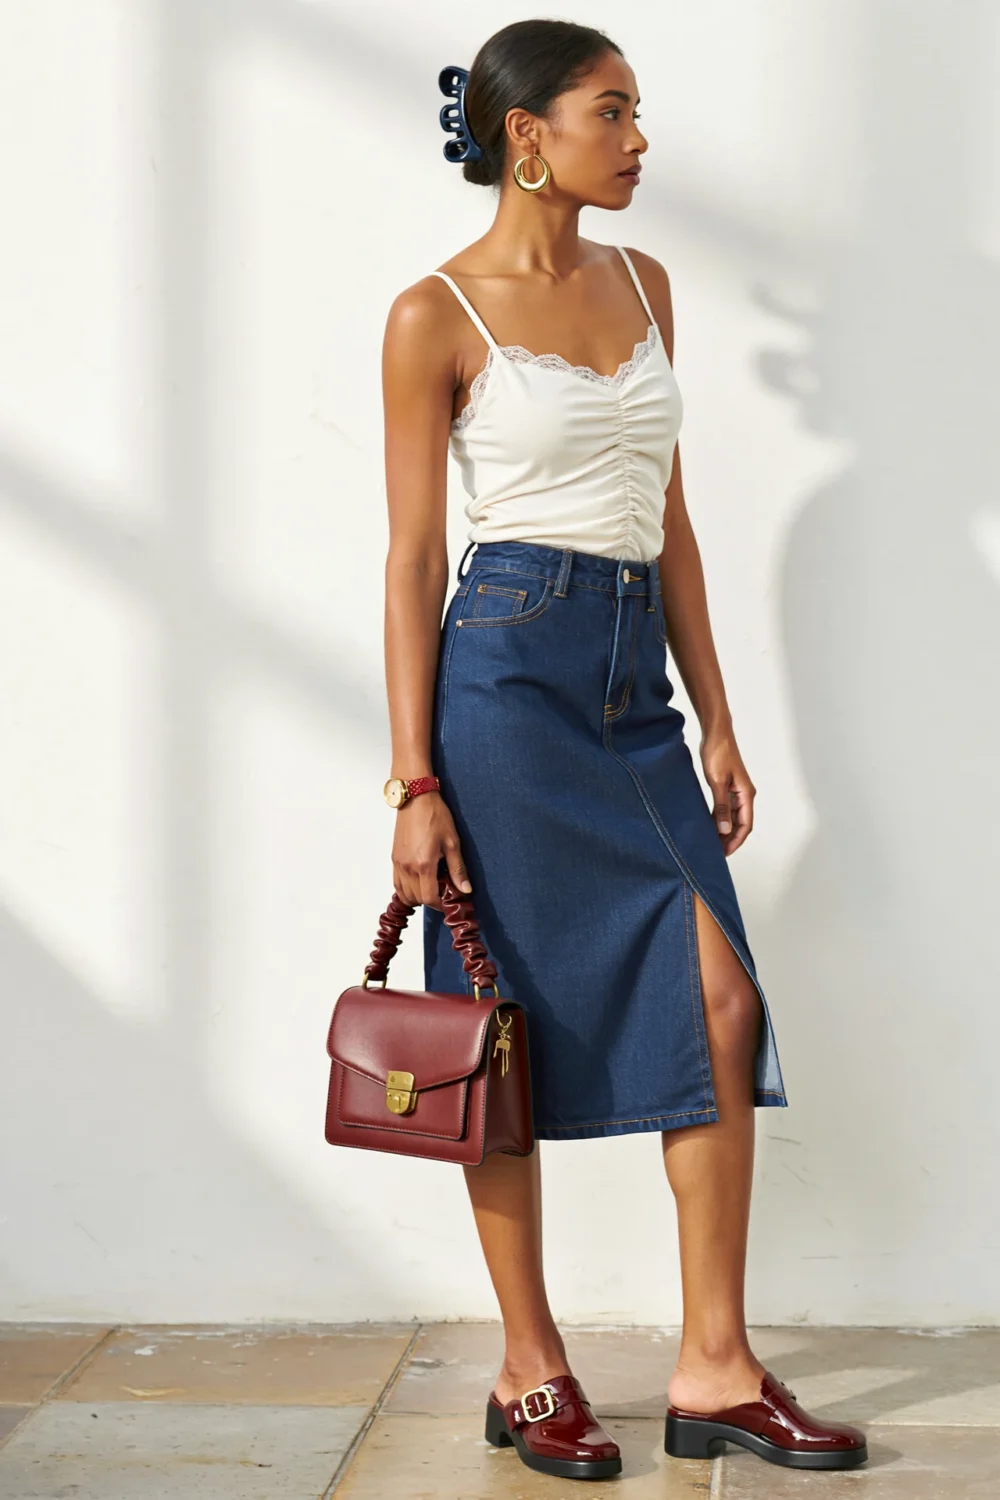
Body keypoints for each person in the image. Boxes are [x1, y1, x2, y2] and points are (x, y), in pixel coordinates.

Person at [379, 18, 868, 1483]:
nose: (641, 139)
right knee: (498, 1037)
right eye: (616, 112)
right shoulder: (433, 314)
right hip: (505, 684)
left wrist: (715, 713)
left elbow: (670, 518)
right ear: (527, 134)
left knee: (722, 1003)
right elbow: (410, 561)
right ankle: (530, 1368)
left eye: (639, 112)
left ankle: (713, 1366)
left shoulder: (649, 287)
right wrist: (413, 778)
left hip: (630, 690)